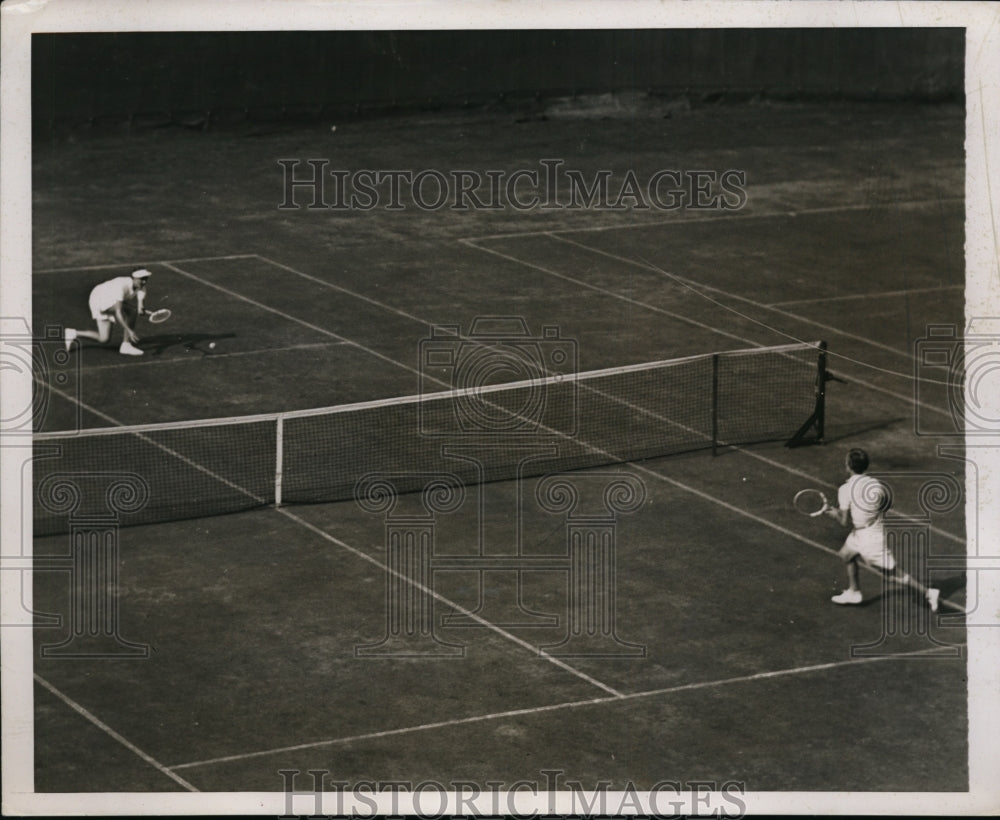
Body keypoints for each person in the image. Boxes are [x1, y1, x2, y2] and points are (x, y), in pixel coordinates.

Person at [827, 448, 940, 612]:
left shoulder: (844, 490)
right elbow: (887, 504)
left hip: (868, 538)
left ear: (848, 466)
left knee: (892, 574)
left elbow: (843, 521)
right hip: (871, 529)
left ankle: (928, 592)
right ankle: (854, 592)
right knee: (846, 554)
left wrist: (833, 513)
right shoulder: (876, 484)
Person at [64, 269, 151, 356]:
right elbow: (118, 312)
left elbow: (140, 306)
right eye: (141, 279)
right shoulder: (122, 286)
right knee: (132, 311)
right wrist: (129, 330)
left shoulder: (142, 287)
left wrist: (141, 309)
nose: (144, 282)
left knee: (104, 339)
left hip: (108, 297)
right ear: (134, 278)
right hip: (99, 298)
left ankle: (72, 333)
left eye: (146, 279)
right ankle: (126, 345)